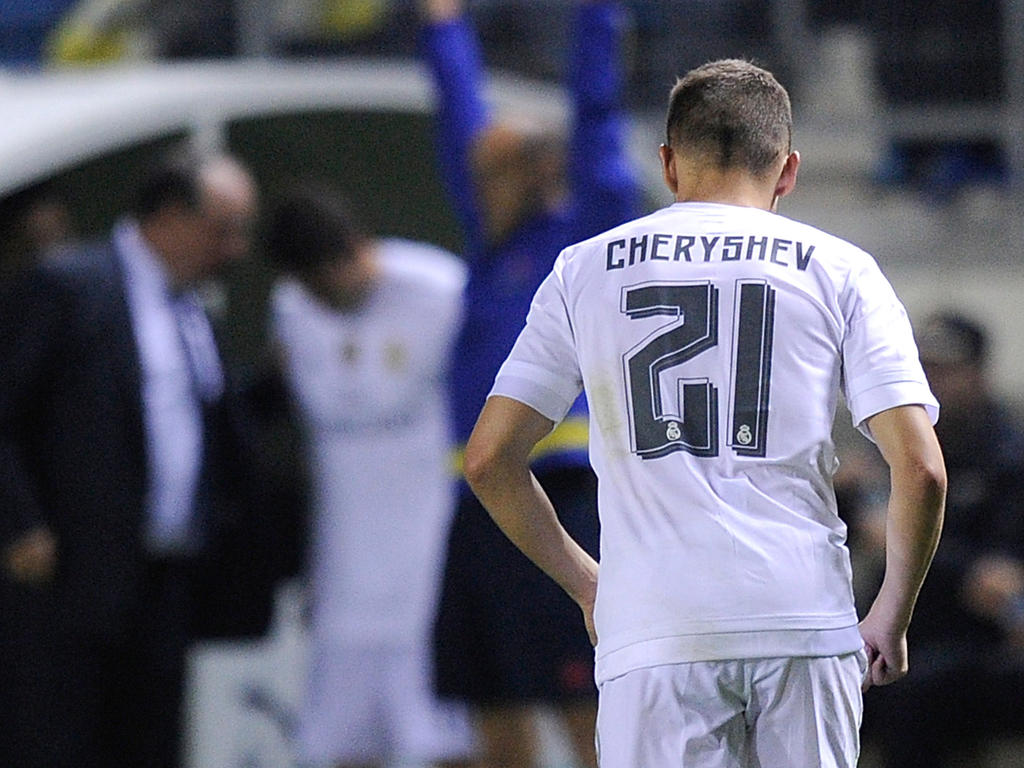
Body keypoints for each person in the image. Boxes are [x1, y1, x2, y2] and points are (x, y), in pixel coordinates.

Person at [462, 59, 947, 768]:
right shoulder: (840, 269)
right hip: (800, 617)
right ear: (787, 171)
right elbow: (923, 470)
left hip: (657, 628)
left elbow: (488, 461)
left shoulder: (584, 270)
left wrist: (589, 585)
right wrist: (890, 615)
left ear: (667, 164)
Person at [0, 150, 286, 768]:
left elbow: (202, 420)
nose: (236, 250)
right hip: (67, 579)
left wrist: (272, 386)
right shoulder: (70, 284)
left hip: (165, 581)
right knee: (57, 743)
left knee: (151, 744)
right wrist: (19, 524)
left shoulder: (190, 310)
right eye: (224, 228)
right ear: (170, 215)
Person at [418, 0, 640, 763]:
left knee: (584, 703)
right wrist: (443, 26)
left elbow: (597, 112)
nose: (476, 182)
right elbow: (457, 123)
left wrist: (596, 16)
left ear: (546, 168)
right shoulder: (488, 247)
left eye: (496, 169)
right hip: (477, 506)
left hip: (561, 497)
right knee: (489, 700)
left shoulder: (587, 239)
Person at [265, 184, 475, 768]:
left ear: (357, 249)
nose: (318, 300)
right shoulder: (290, 307)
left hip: (426, 546)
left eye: (326, 283)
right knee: (339, 737)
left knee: (437, 732)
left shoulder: (441, 289)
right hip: (342, 560)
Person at [855, 311, 1024, 767]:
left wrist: (897, 537)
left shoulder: (1006, 455)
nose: (932, 384)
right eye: (922, 370)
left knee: (918, 698)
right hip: (899, 628)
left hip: (976, 640)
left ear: (977, 374)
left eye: (945, 371)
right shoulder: (894, 445)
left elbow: (995, 582)